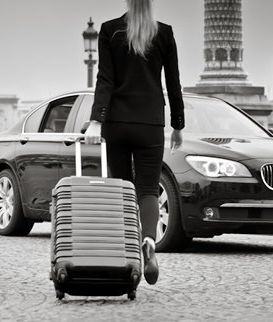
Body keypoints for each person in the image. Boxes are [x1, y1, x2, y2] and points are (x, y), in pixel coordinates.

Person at [84, 0, 184, 285]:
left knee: (123, 188)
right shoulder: (164, 33)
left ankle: (127, 251)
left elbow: (105, 79)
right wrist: (178, 124)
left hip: (116, 122)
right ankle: (149, 241)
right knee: (148, 190)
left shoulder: (109, 30)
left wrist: (96, 120)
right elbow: (174, 83)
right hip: (151, 122)